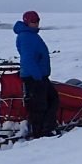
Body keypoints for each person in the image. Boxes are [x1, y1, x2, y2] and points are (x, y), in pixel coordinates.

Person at [14, 10, 58, 138]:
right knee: (40, 105)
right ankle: (40, 133)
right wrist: (37, 76)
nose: (37, 23)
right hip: (34, 77)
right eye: (34, 21)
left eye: (38, 20)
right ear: (27, 22)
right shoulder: (26, 36)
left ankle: (47, 128)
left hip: (38, 75)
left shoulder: (30, 34)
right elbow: (27, 59)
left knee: (50, 99)